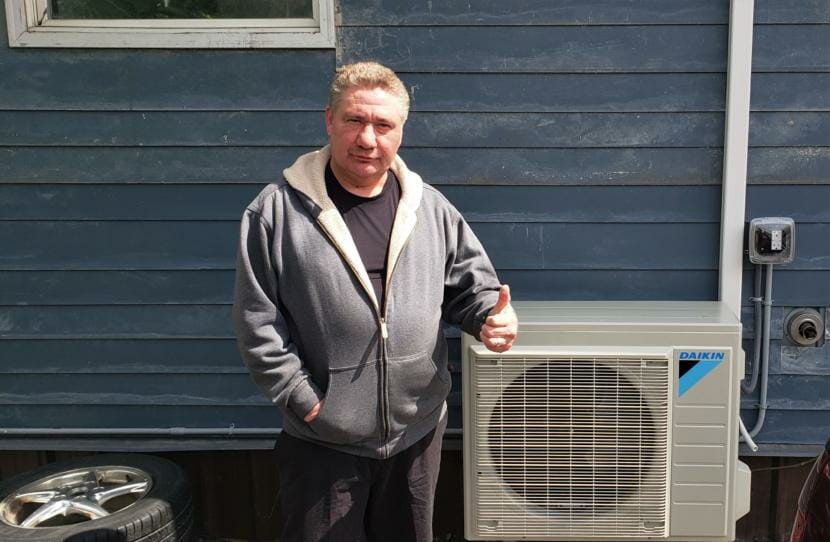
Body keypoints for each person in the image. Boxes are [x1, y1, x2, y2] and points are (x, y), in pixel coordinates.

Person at [232, 61, 517, 542]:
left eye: (382, 125)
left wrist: (491, 316)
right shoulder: (275, 212)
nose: (368, 138)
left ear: (400, 132)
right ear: (329, 120)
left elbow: (471, 287)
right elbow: (257, 323)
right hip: (323, 440)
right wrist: (306, 401)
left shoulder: (431, 209)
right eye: (354, 120)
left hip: (415, 433)